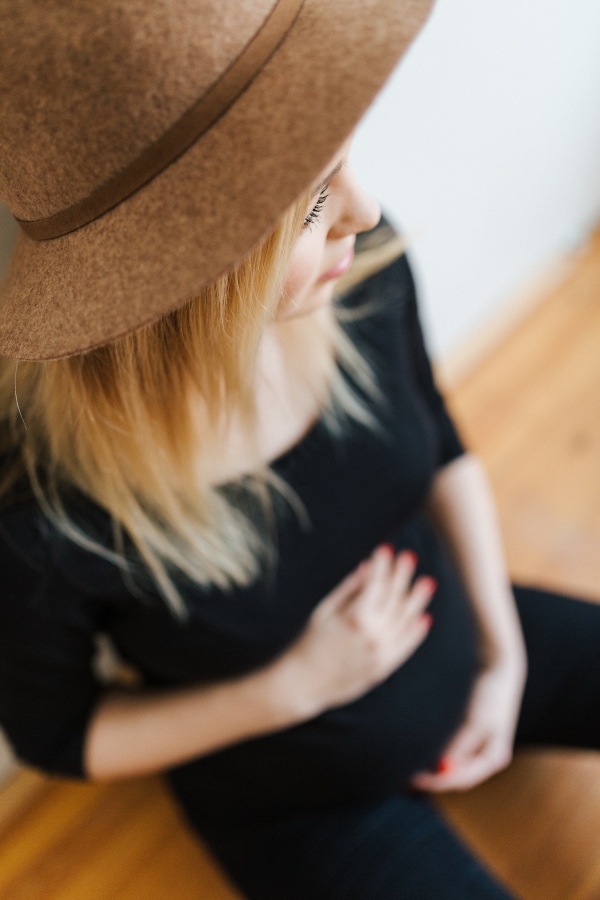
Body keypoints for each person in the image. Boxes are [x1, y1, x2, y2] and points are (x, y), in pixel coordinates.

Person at [1, 2, 600, 898]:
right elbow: (57, 736)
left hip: (453, 630)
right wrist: (295, 686)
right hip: (296, 800)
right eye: (316, 199)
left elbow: (439, 435)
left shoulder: (360, 272)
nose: (365, 208)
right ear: (183, 270)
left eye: (347, 159)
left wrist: (501, 649)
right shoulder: (42, 508)